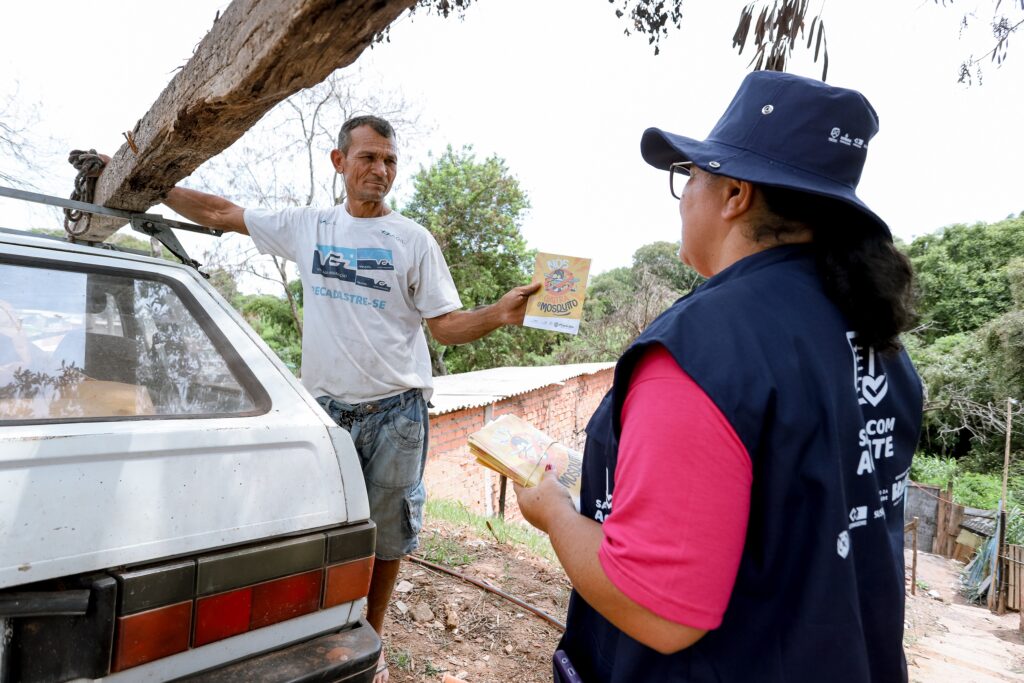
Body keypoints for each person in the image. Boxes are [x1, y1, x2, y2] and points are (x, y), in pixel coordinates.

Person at [514, 71, 923, 682]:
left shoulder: (706, 347)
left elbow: (658, 609)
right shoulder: (878, 341)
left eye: (689, 177)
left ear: (734, 194)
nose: (683, 198)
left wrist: (552, 513)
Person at [157, 115, 540, 683]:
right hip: (325, 416)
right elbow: (220, 212)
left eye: (389, 160)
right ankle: (314, 630)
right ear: (339, 162)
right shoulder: (308, 227)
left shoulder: (412, 240)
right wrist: (152, 185)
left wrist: (497, 315)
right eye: (367, 158)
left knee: (387, 539)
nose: (379, 170)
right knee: (316, 529)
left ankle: (372, 644)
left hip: (396, 412)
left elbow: (446, 327)